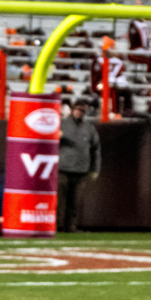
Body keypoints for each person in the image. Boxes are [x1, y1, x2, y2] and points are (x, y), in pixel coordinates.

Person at [57, 98, 100, 233]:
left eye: (82, 110)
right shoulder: (62, 124)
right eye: (78, 109)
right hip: (63, 168)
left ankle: (70, 226)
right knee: (61, 201)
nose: (79, 112)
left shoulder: (89, 128)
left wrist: (95, 169)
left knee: (75, 202)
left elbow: (96, 149)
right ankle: (58, 225)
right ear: (72, 109)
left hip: (81, 170)